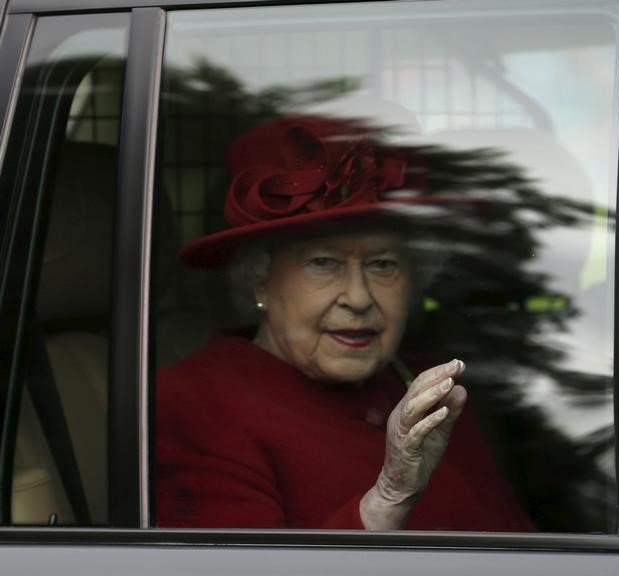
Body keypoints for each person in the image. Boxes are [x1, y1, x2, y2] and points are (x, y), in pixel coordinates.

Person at [157, 115, 533, 530]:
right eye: (323, 262)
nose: (358, 297)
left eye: (382, 264)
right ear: (258, 278)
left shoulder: (424, 383)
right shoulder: (195, 404)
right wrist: (385, 501)